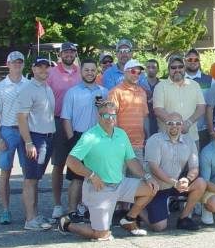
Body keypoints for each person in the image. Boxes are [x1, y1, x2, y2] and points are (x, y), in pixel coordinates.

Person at [58, 100, 158, 240]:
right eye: (106, 116)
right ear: (99, 117)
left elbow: (131, 160)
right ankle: (67, 224)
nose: (110, 119)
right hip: (99, 188)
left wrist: (147, 176)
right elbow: (71, 161)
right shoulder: (89, 136)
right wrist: (91, 175)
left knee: (151, 188)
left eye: (113, 115)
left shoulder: (121, 134)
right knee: (102, 235)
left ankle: (129, 219)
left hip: (120, 184)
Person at [60, 59, 109, 222]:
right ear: (81, 72)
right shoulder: (72, 92)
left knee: (96, 175)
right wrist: (71, 140)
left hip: (98, 137)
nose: (90, 73)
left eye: (92, 70)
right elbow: (65, 118)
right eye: (86, 70)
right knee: (76, 177)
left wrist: (102, 106)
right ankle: (72, 211)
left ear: (97, 72)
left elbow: (109, 116)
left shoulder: (104, 92)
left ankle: (90, 209)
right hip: (79, 137)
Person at [144, 113, 206, 231]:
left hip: (175, 184)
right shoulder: (155, 140)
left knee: (201, 183)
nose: (174, 126)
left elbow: (194, 168)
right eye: (170, 123)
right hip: (157, 188)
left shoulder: (189, 142)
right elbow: (154, 168)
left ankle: (183, 219)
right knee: (159, 227)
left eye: (178, 123)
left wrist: (186, 180)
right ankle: (139, 209)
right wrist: (174, 183)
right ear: (165, 125)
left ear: (182, 125)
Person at [16, 57, 56, 230]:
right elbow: (21, 118)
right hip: (35, 138)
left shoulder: (47, 87)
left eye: (46, 67)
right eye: (39, 67)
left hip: (47, 137)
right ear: (33, 68)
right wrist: (28, 142)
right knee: (30, 179)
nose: (43, 70)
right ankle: (30, 220)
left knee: (36, 178)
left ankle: (35, 215)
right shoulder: (28, 89)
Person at [0, 51, 27, 225]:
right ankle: (5, 210)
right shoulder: (0, 87)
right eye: (14, 62)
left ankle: (30, 210)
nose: (17, 64)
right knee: (5, 172)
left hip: (26, 131)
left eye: (20, 62)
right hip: (8, 131)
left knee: (28, 173)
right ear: (8, 64)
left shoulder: (29, 85)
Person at [47, 42, 82, 219]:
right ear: (60, 55)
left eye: (72, 52)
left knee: (80, 164)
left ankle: (79, 203)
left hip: (79, 123)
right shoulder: (51, 73)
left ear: (75, 54)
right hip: (59, 121)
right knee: (59, 164)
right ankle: (57, 204)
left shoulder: (80, 72)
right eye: (65, 52)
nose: (69, 54)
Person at [152, 56, 206, 144]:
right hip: (167, 139)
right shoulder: (160, 86)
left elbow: (201, 108)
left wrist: (188, 123)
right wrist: (176, 126)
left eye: (180, 66)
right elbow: (158, 110)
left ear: (184, 68)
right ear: (168, 69)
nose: (177, 70)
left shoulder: (194, 85)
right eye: (173, 67)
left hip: (191, 138)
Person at [107, 59, 149, 171]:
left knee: (137, 182)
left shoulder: (142, 92)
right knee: (119, 182)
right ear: (125, 72)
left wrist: (147, 137)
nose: (136, 74)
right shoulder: (115, 92)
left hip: (138, 145)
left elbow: (145, 117)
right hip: (120, 145)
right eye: (133, 71)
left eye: (139, 72)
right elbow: (111, 118)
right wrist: (114, 141)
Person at [183, 49, 213, 150]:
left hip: (203, 129)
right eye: (190, 59)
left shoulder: (210, 80)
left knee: (201, 162)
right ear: (185, 61)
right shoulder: (178, 79)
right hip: (183, 129)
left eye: (196, 59)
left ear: (199, 61)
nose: (193, 62)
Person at [144, 59, 161, 136]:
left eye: (153, 67)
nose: (150, 69)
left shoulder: (162, 86)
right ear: (145, 69)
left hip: (158, 121)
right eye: (148, 67)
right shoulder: (140, 85)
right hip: (143, 121)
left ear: (158, 69)